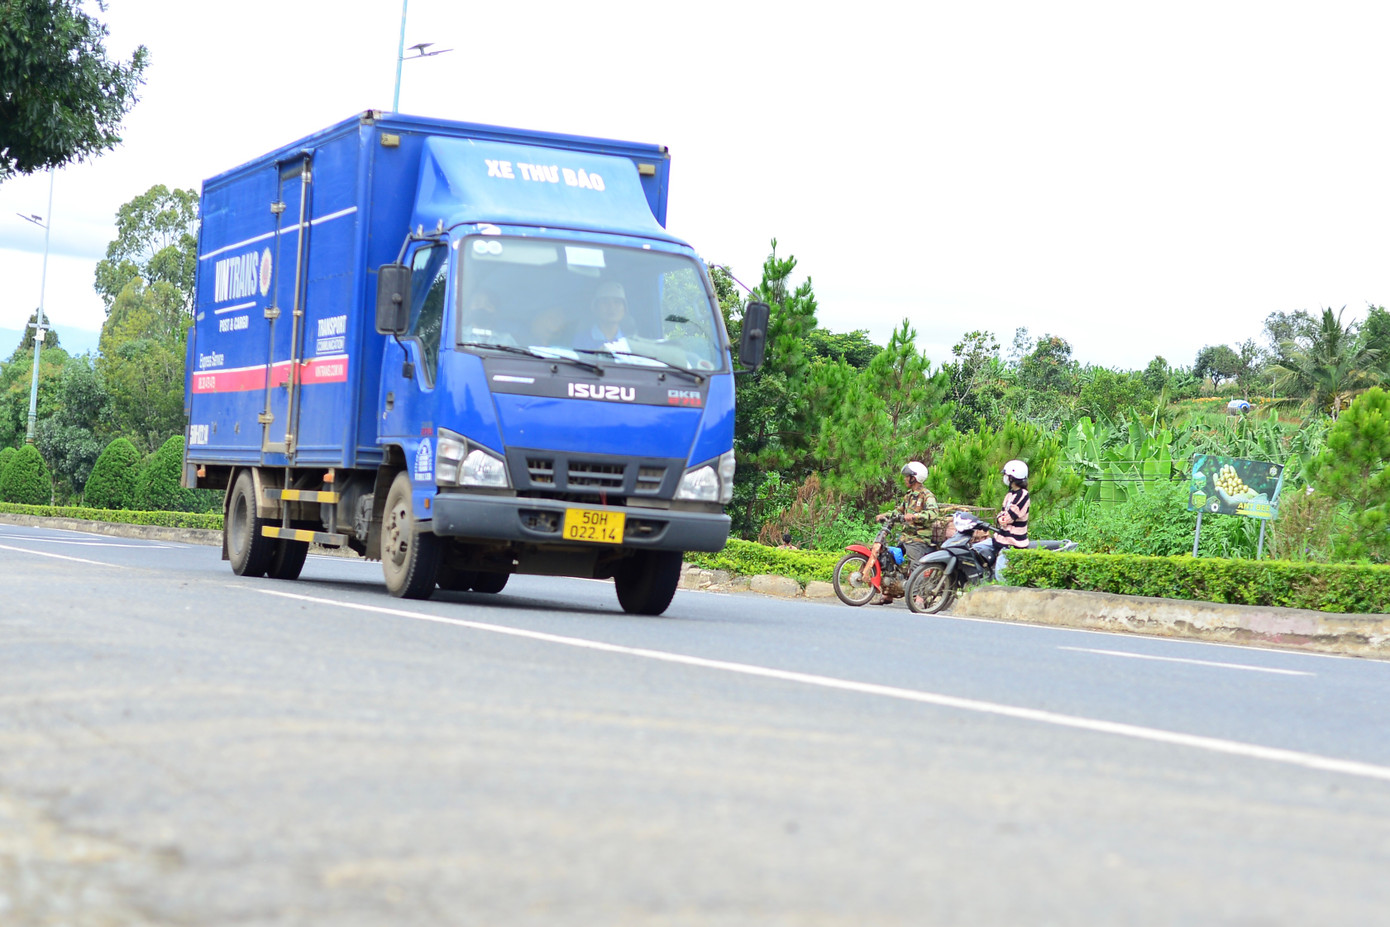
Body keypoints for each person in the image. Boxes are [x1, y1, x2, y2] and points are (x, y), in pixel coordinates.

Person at [872, 460, 939, 604]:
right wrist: (885, 515)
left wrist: (915, 516)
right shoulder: (908, 496)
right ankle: (888, 594)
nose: (905, 479)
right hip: (905, 537)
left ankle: (918, 597)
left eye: (907, 476)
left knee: (916, 566)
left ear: (914, 478)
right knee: (888, 559)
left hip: (918, 539)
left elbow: (933, 514)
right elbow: (899, 511)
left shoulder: (927, 496)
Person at [973, 459, 1030, 579]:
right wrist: (1001, 517)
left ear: (1013, 477)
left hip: (1012, 542)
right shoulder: (1010, 494)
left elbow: (1008, 518)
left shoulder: (1023, 495)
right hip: (1000, 538)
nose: (1004, 477)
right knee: (975, 549)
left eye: (1006, 475)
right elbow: (1001, 514)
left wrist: (1002, 517)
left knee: (1001, 575)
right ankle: (984, 577)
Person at [573, 281, 631, 353]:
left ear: (624, 309)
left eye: (617, 302)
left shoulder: (629, 343)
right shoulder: (581, 340)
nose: (611, 307)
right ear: (595, 308)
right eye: (605, 302)